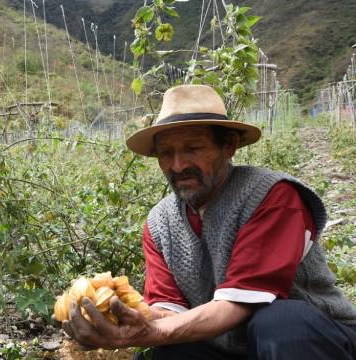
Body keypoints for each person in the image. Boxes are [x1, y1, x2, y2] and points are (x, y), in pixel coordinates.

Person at [61, 85, 356, 359]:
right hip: (231, 346)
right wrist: (121, 319)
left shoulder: (272, 196)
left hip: (311, 341)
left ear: (229, 145)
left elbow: (240, 302)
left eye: (193, 148)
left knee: (280, 322)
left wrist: (154, 331)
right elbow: (167, 310)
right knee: (170, 353)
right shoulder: (160, 223)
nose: (177, 165)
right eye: (166, 153)